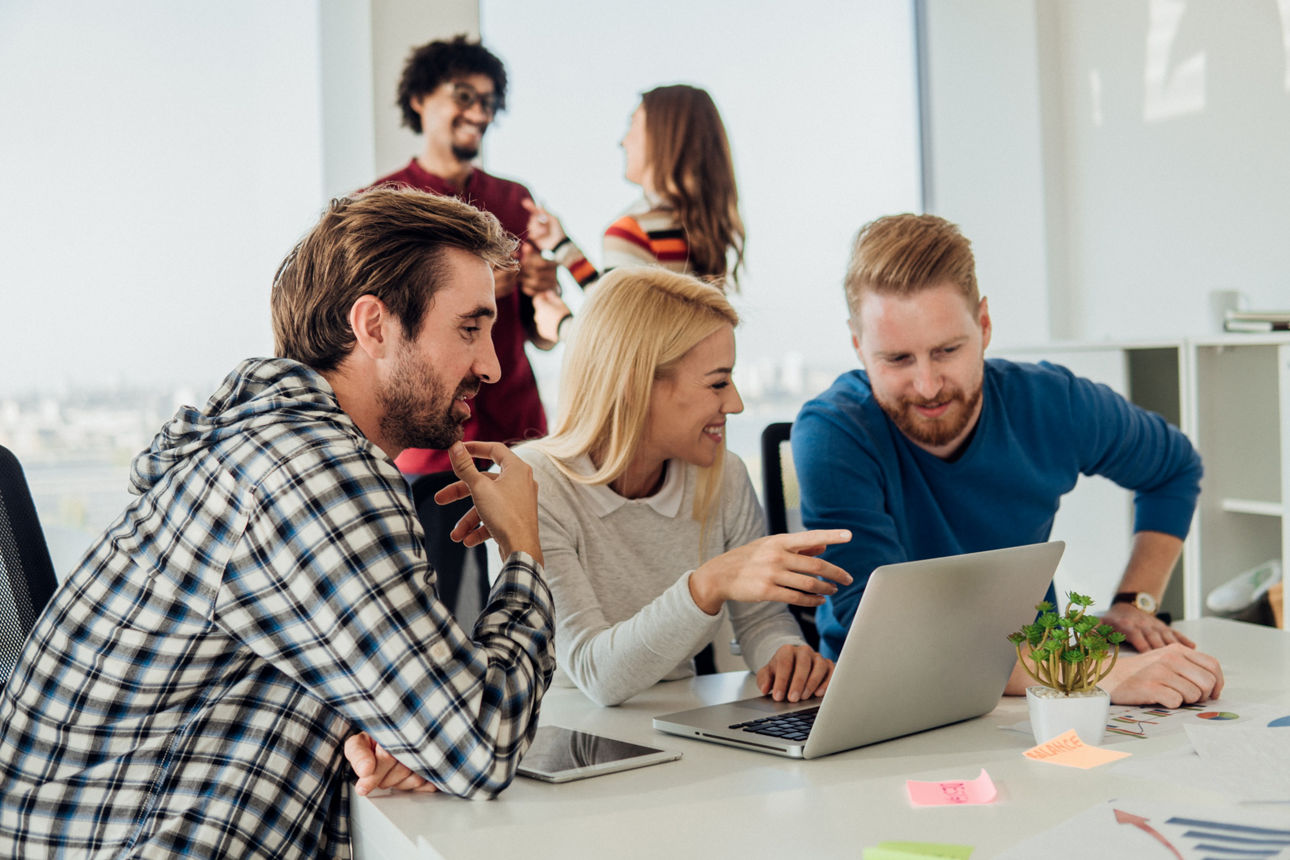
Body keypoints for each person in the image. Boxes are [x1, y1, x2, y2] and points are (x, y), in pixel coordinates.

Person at [0, 188, 556, 859]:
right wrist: (523, 552)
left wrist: (403, 736)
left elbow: (437, 724)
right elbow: (480, 742)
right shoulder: (312, 471)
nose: (492, 366)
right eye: (469, 328)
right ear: (375, 326)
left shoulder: (268, 448)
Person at [342, 266, 848, 794]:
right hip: (559, 754)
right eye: (718, 382)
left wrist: (785, 656)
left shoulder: (724, 476)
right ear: (636, 385)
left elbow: (763, 620)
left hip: (677, 739)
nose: (736, 403)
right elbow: (596, 673)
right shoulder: (534, 485)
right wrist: (709, 584)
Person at [793, 213, 1224, 708]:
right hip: (889, 700)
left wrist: (1135, 603)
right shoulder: (833, 434)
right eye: (897, 359)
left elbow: (1175, 468)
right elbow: (888, 639)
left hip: (1033, 694)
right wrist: (1092, 672)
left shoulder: (1053, 402)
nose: (928, 386)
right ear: (857, 345)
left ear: (984, 325)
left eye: (947, 350)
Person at [371, 35, 566, 477]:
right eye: (464, 97)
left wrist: (542, 289)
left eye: (489, 102)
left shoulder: (516, 199)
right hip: (425, 443)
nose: (480, 114)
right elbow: (376, 333)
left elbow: (542, 337)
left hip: (519, 433)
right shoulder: (383, 204)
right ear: (420, 98)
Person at [524, 84, 746, 295]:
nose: (623, 141)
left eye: (633, 124)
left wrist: (558, 317)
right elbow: (632, 307)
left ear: (660, 137)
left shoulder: (633, 232)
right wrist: (562, 246)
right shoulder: (695, 227)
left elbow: (615, 321)